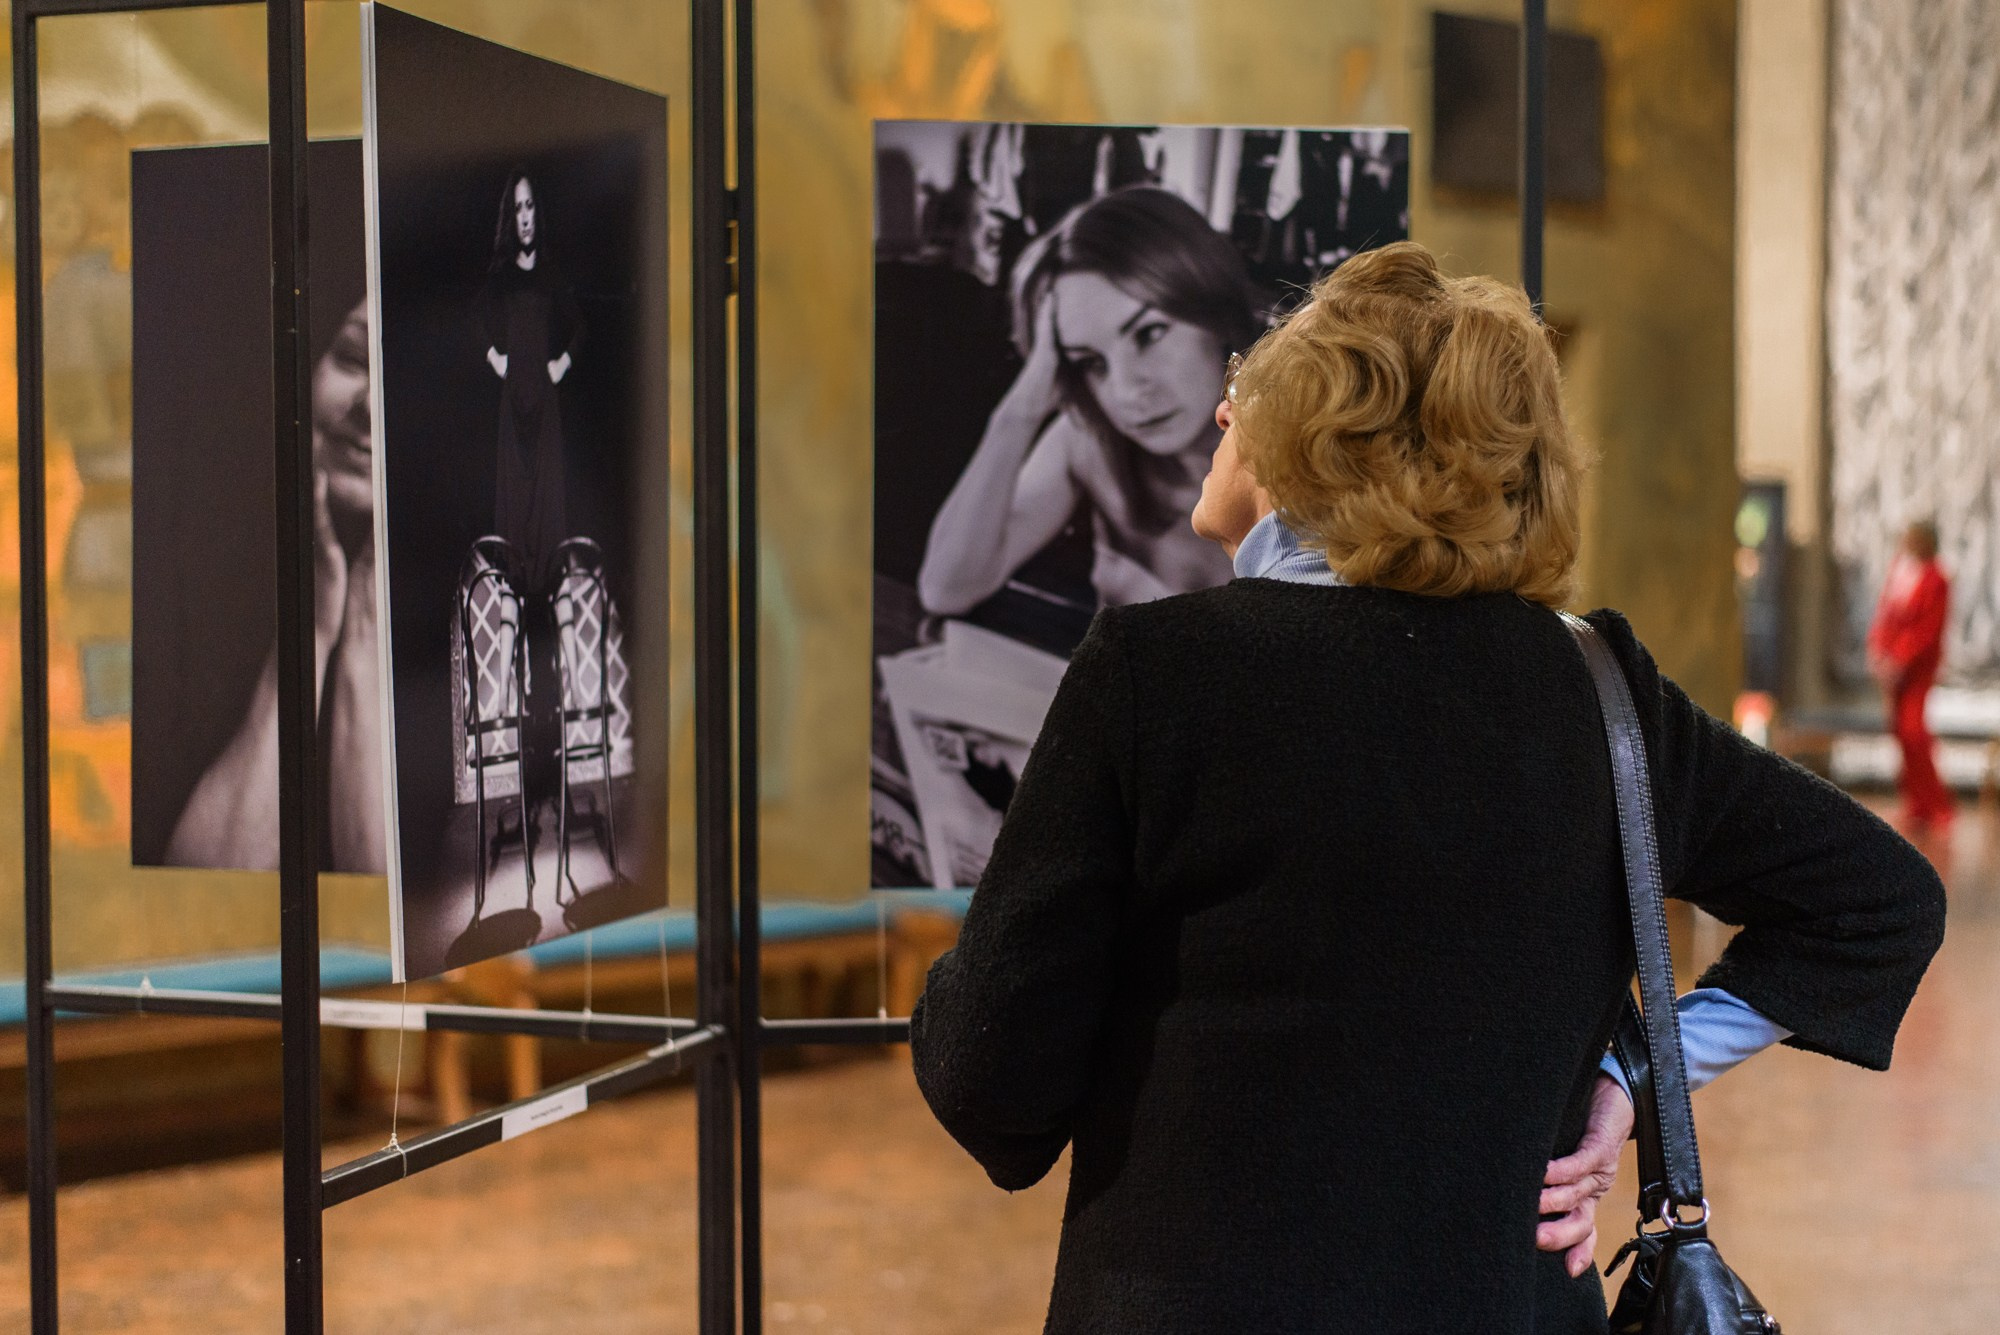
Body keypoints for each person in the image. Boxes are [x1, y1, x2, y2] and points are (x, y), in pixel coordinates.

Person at [909, 242, 1946, 1331]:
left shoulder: (1156, 673)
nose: (1220, 424)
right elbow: (1877, 899)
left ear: (1311, 446)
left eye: (1243, 401)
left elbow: (991, 1083)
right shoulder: (1595, 685)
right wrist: (1632, 1076)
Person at [915, 187, 1257, 617]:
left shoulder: (1320, 448)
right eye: (1091, 362)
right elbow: (946, 588)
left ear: (1215, 311)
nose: (1127, 390)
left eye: (1148, 334)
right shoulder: (1089, 441)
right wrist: (1019, 412)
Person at [165, 298, 384, 873]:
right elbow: (208, 892)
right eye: (354, 358)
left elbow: (384, 909)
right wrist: (310, 631)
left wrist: (364, 630)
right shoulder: (190, 594)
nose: (371, 405)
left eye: (404, 375)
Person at [480, 169, 582, 596]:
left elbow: (580, 327)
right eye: (517, 208)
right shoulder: (501, 274)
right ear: (511, 216)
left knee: (548, 526)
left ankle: (563, 644)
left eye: (530, 206)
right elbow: (473, 321)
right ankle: (509, 641)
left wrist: (562, 362)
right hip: (512, 408)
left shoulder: (552, 274)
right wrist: (494, 358)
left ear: (538, 212)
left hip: (545, 409)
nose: (524, 217)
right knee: (515, 529)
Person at [1869, 520, 1952, 834]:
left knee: (1914, 731)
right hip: (1893, 669)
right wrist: (1878, 651)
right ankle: (1916, 803)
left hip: (1915, 670)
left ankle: (1938, 803)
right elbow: (1885, 616)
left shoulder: (1936, 580)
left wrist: (1901, 658)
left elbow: (1928, 629)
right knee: (1900, 733)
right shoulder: (1900, 572)